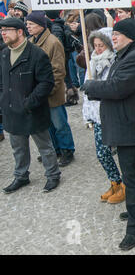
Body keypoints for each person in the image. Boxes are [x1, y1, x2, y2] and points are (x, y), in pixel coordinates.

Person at [82, 18, 135, 251]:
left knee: (132, 179)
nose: (113, 37)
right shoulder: (125, 55)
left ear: (130, 36)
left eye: (118, 34)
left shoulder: (133, 59)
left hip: (130, 127)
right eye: (112, 34)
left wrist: (91, 87)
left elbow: (117, 87)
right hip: (128, 125)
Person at [0, 18, 61, 194]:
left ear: (20, 32)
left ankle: (53, 175)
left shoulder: (36, 54)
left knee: (45, 146)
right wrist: (4, 100)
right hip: (11, 110)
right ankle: (21, 176)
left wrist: (29, 103)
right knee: (18, 147)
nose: (3, 33)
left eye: (7, 30)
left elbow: (46, 83)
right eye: (2, 30)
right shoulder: (4, 54)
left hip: (32, 111)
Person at [27, 11, 76, 167]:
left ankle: (67, 150)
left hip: (52, 91)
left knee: (59, 123)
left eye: (31, 24)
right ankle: (55, 149)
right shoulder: (31, 41)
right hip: (39, 91)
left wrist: (48, 89)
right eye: (27, 24)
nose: (28, 27)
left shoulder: (53, 42)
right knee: (47, 124)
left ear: (41, 26)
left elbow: (59, 70)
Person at [82, 30, 124, 204]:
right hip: (97, 114)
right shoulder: (92, 62)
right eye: (96, 45)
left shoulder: (114, 62)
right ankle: (115, 182)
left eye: (102, 45)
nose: (98, 49)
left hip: (110, 114)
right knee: (101, 153)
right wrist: (87, 114)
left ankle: (124, 185)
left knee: (117, 152)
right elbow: (86, 90)